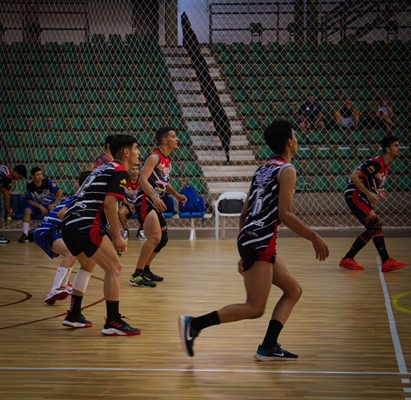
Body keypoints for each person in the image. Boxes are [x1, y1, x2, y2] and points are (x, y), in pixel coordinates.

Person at [179, 119, 329, 360]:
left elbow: (245, 210)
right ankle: (194, 324)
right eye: (295, 135)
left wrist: (244, 248)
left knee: (293, 290)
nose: (297, 140)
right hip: (261, 240)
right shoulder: (287, 170)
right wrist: (313, 237)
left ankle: (268, 347)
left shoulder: (263, 168)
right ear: (289, 142)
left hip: (251, 237)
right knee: (254, 308)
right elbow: (285, 214)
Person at [61, 135, 141, 335]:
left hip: (70, 222)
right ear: (126, 152)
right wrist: (116, 235)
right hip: (85, 223)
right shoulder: (120, 171)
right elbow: (109, 204)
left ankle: (73, 314)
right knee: (114, 267)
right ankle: (113, 322)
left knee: (88, 265)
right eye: (136, 148)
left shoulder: (101, 169)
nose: (139, 152)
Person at [129, 127, 187, 288]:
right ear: (164, 140)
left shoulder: (167, 160)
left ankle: (145, 269)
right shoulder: (154, 157)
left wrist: (176, 195)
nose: (177, 139)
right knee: (154, 238)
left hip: (154, 201)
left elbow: (163, 183)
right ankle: (137, 275)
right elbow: (142, 179)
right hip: (146, 200)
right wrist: (154, 197)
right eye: (174, 137)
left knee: (163, 239)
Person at [339, 135, 407, 272]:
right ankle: (386, 261)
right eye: (396, 145)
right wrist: (369, 193)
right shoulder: (377, 163)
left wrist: (377, 190)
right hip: (355, 195)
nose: (399, 148)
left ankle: (348, 259)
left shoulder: (386, 163)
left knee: (373, 228)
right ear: (388, 149)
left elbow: (369, 180)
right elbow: (353, 176)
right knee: (376, 224)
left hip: (359, 194)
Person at [34, 172, 92, 305]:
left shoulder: (84, 198)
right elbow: (61, 214)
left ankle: (64, 284)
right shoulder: (80, 198)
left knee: (75, 252)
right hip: (46, 230)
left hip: (55, 230)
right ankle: (54, 289)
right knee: (70, 252)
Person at [19, 167, 63, 243]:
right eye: (37, 175)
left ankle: (52, 232)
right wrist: (40, 207)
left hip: (48, 205)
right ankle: (25, 235)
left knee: (53, 210)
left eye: (41, 174)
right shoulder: (29, 186)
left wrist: (54, 204)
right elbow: (29, 201)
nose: (40, 177)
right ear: (33, 177)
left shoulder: (47, 182)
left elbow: (60, 192)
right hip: (37, 206)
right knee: (27, 210)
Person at [118, 165, 146, 242]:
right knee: (121, 212)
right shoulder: (124, 181)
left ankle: (141, 231)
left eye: (137, 169)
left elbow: (145, 195)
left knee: (146, 210)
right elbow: (121, 195)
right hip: (128, 204)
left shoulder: (142, 181)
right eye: (133, 169)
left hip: (139, 204)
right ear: (129, 171)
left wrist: (137, 205)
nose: (135, 171)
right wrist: (129, 205)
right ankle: (125, 231)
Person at [0, 164, 27, 244]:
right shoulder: (9, 178)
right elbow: (6, 197)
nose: (19, 178)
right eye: (19, 176)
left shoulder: (4, 168)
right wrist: (9, 211)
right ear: (15, 172)